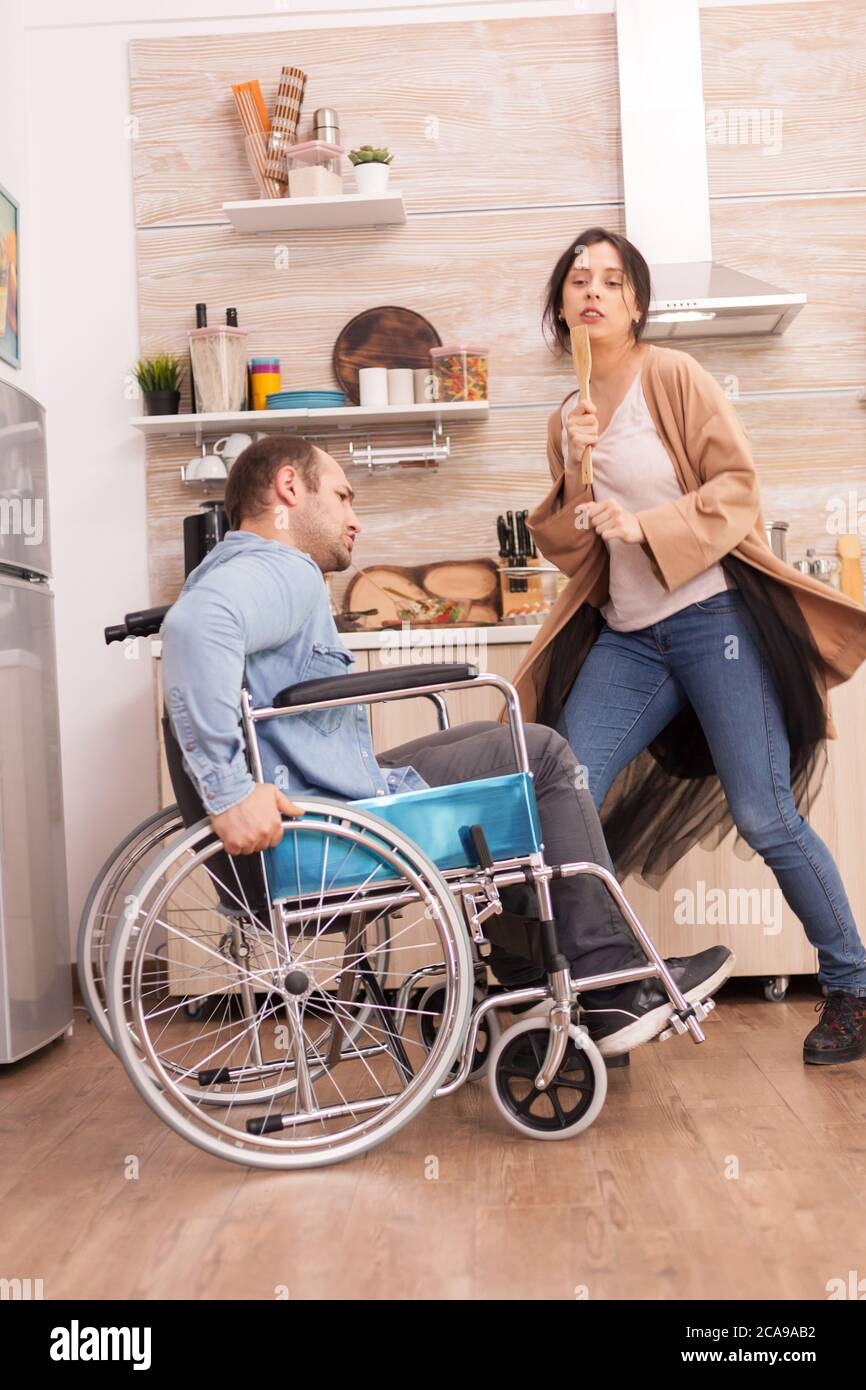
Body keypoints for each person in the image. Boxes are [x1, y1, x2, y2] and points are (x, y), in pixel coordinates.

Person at [160, 434, 733, 1060]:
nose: (355, 519)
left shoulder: (229, 566)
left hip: (319, 799)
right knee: (538, 753)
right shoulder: (282, 568)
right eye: (343, 496)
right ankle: (612, 981)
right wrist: (229, 792)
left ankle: (528, 984)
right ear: (289, 489)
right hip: (326, 828)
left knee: (504, 750)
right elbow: (194, 629)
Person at [513, 226, 866, 1065]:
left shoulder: (673, 376)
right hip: (631, 641)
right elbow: (571, 547)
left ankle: (853, 986)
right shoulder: (569, 413)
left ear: (636, 303)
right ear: (562, 307)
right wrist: (573, 473)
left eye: (611, 280)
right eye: (577, 280)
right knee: (558, 800)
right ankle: (604, 999)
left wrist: (643, 523)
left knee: (765, 814)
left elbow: (738, 489)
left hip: (717, 627)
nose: (592, 291)